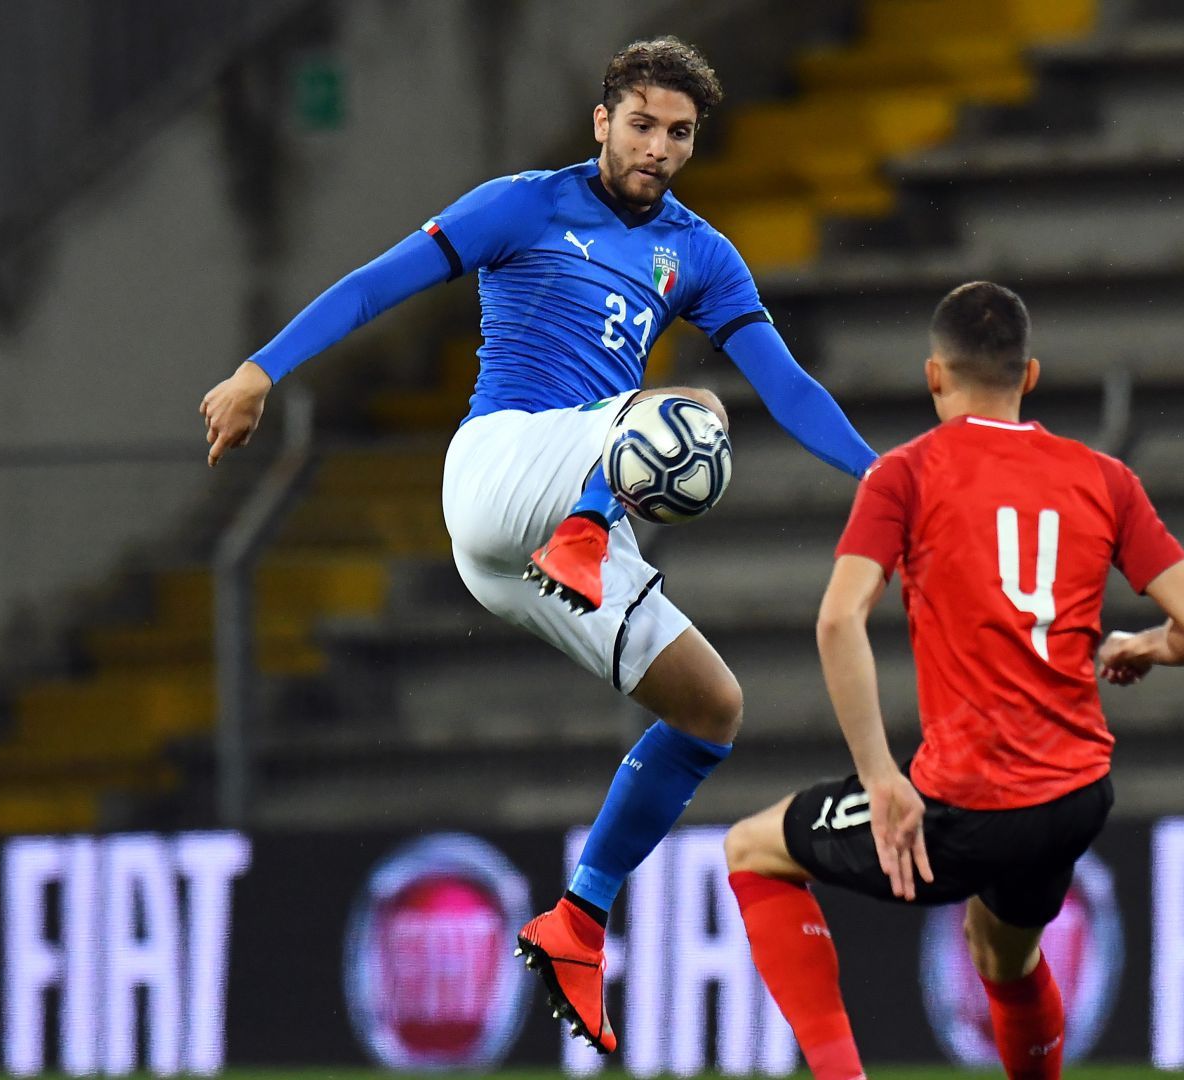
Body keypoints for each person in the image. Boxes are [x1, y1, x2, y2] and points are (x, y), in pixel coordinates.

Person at [197, 37, 876, 1052]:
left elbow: (787, 386)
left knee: (711, 709)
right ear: (601, 120)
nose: (657, 148)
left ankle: (579, 917)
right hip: (498, 471)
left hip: (520, 549)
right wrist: (263, 367)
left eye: (679, 134)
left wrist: (885, 480)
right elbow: (379, 283)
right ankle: (588, 530)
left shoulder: (699, 252)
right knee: (688, 407)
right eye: (641, 124)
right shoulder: (525, 202)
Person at [721, 282, 1184, 1080]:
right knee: (1000, 957)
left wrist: (882, 775)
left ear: (934, 376)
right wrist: (1142, 646)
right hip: (1074, 798)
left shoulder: (904, 475)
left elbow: (837, 619)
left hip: (969, 801)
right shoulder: (1104, 477)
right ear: (1029, 377)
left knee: (751, 849)